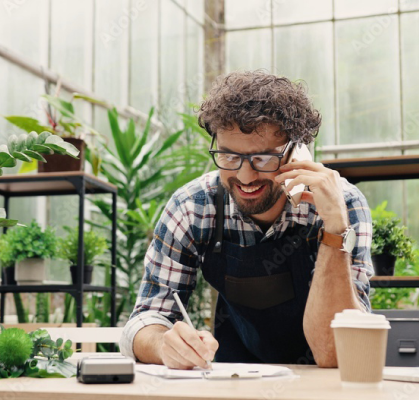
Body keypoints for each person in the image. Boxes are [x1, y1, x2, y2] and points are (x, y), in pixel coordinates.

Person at [120, 70, 373, 369]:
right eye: (229, 157)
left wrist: (334, 229)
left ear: (298, 152)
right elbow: (145, 318)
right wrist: (164, 344)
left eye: (263, 158)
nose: (244, 176)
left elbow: (336, 352)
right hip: (234, 379)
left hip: (322, 384)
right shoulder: (193, 207)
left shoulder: (342, 205)